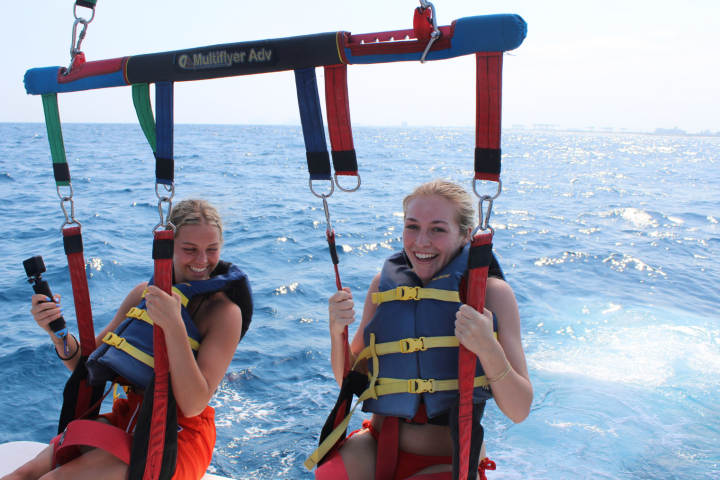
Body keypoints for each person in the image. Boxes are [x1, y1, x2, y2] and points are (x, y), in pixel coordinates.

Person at [4, 199, 251, 480]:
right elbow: (85, 365)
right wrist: (56, 332)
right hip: (129, 416)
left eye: (212, 249)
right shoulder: (144, 294)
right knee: (23, 474)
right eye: (189, 249)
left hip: (176, 437)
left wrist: (174, 327)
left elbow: (194, 404)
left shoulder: (225, 314)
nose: (202, 260)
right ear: (168, 247)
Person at [323, 179, 533, 479]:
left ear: (465, 235)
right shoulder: (381, 286)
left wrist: (488, 348)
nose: (421, 241)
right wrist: (336, 332)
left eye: (438, 229)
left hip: (449, 461)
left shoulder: (492, 294)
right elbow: (349, 378)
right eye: (412, 226)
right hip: (375, 446)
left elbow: (520, 409)